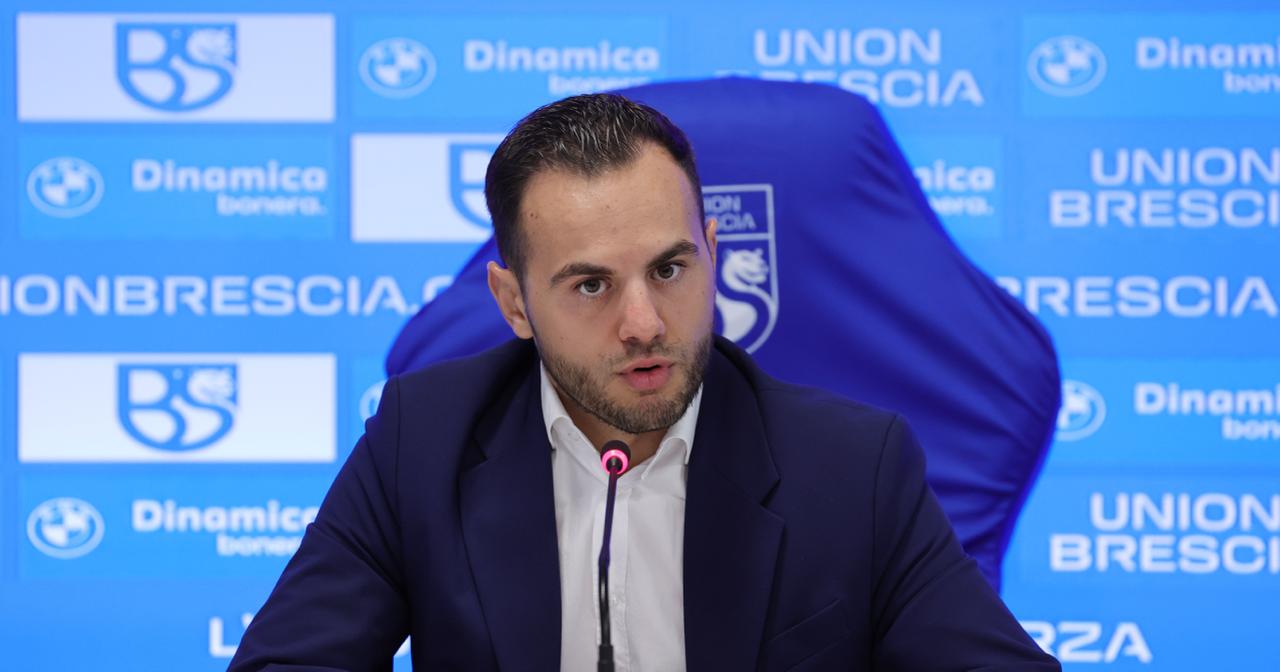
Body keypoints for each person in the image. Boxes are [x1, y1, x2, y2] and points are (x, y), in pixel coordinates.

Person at [229, 93, 1059, 671]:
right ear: (514, 304)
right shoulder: (422, 441)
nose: (644, 323)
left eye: (669, 269)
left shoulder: (853, 467)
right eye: (591, 285)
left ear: (714, 255)